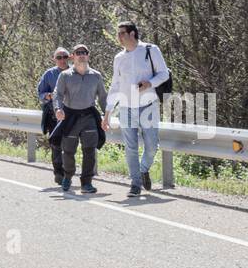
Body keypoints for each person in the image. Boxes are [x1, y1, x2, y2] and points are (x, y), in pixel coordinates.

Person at [106, 20, 170, 196]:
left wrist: (150, 83)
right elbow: (115, 86)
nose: (119, 37)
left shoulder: (151, 50)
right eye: (118, 33)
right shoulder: (119, 58)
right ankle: (135, 184)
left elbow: (164, 73)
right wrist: (108, 113)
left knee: (152, 146)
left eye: (122, 33)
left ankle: (143, 170)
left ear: (132, 34)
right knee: (131, 147)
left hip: (148, 105)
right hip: (126, 107)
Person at [52, 44, 107, 194]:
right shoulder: (65, 75)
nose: (81, 55)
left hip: (89, 116)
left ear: (88, 56)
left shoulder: (96, 75)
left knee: (89, 151)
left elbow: (103, 97)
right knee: (68, 151)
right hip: (70, 116)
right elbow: (57, 94)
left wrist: (106, 116)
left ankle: (86, 183)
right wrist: (58, 109)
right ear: (73, 57)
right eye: (78, 52)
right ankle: (68, 177)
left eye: (84, 52)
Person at [37, 47, 71, 184]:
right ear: (54, 59)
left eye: (65, 57)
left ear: (69, 58)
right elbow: (40, 94)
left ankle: (68, 171)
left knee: (70, 144)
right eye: (59, 57)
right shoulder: (49, 74)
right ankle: (59, 173)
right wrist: (48, 96)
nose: (62, 60)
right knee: (57, 144)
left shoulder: (76, 72)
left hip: (72, 114)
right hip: (54, 115)